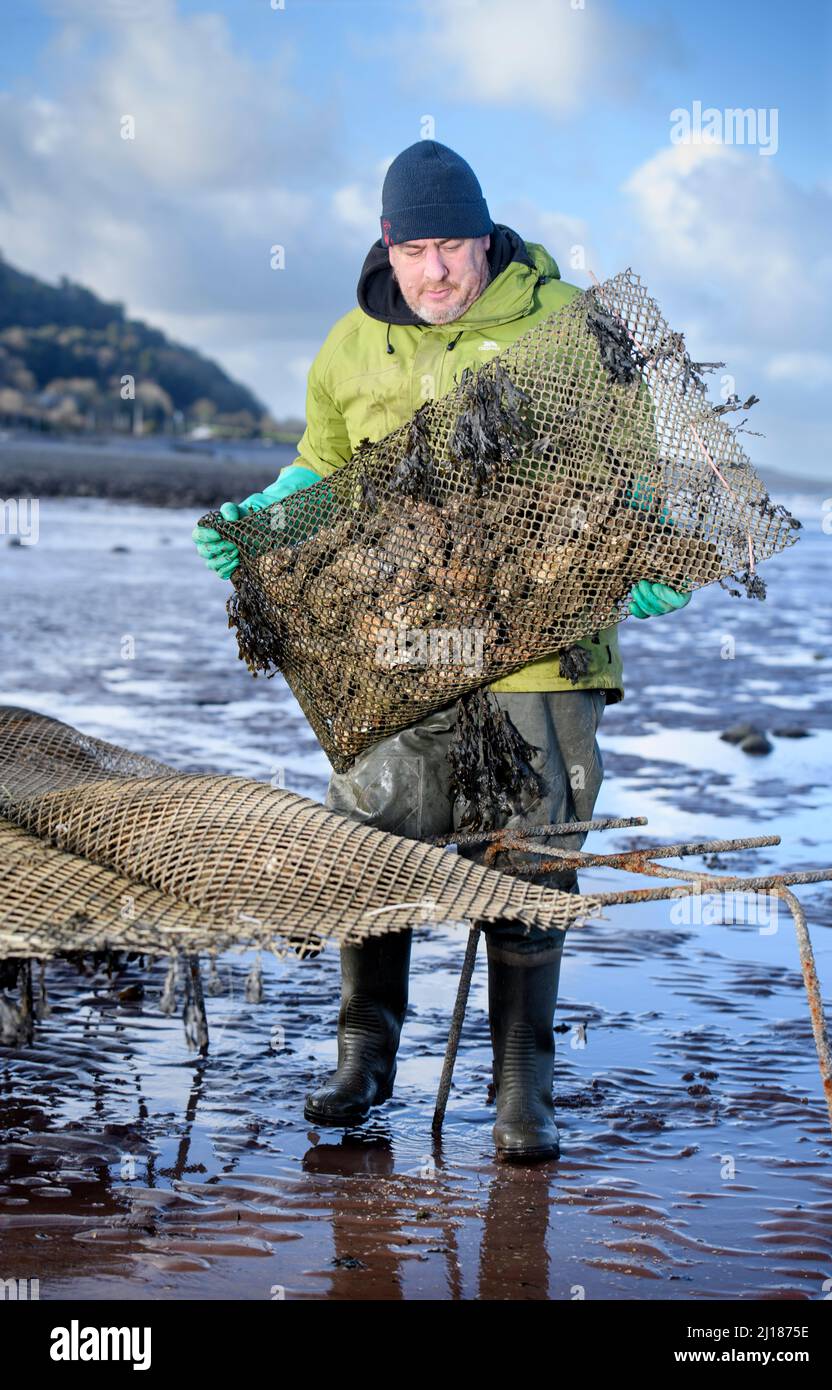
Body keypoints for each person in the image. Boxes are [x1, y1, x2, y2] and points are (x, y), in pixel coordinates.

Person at [193, 140, 690, 1162]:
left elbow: (636, 474)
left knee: (531, 850)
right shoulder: (347, 346)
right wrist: (271, 517)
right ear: (386, 243)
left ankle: (521, 1086)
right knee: (370, 832)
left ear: (486, 236)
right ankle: (365, 1043)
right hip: (399, 646)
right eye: (414, 248)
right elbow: (321, 469)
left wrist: (651, 543)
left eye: (453, 246)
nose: (435, 273)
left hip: (541, 649)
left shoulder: (572, 333)